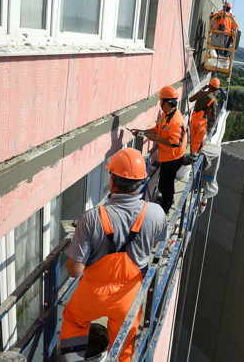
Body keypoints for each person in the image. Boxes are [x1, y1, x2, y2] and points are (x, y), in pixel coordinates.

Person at [59, 148, 167, 362]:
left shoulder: (91, 218)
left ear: (112, 180)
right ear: (142, 181)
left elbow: (74, 271)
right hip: (129, 295)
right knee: (124, 343)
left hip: (92, 295)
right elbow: (155, 243)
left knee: (75, 321)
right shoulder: (155, 213)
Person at [140, 86, 187, 214]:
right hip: (168, 157)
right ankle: (167, 199)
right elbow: (158, 128)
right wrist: (143, 132)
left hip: (173, 158)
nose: (159, 103)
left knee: (165, 185)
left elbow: (175, 142)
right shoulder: (167, 114)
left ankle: (165, 208)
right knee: (166, 183)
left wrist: (156, 138)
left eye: (161, 101)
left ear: (166, 103)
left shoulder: (175, 121)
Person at [188, 78, 220, 154]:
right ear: (216, 90)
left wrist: (201, 90)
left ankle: (191, 154)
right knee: (197, 142)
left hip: (193, 119)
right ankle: (193, 157)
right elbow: (213, 116)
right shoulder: (213, 100)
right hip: (201, 123)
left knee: (192, 139)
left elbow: (190, 99)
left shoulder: (200, 93)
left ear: (208, 85)